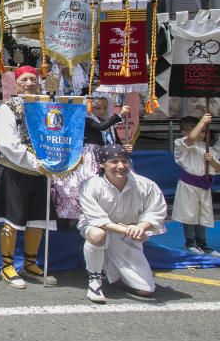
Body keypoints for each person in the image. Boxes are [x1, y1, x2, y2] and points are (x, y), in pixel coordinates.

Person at [0, 66, 57, 288]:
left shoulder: (46, 108)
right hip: (16, 170)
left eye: (33, 79)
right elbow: (8, 144)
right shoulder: (7, 110)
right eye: (24, 80)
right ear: (16, 84)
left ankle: (30, 263)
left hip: (42, 171)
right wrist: (36, 163)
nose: (29, 83)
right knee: (12, 220)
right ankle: (7, 266)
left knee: (37, 219)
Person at [80, 144, 167, 303]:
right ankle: (95, 281)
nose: (120, 166)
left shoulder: (146, 184)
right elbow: (96, 218)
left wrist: (140, 228)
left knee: (146, 290)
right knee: (97, 234)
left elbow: (156, 211)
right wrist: (127, 230)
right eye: (114, 161)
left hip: (129, 233)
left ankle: (109, 268)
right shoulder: (90, 185)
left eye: (124, 161)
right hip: (102, 228)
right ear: (102, 164)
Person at [53, 95, 131, 221]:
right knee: (88, 181)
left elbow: (116, 142)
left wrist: (124, 149)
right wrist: (119, 115)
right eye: (97, 108)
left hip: (108, 157)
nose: (101, 111)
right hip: (90, 158)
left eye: (105, 108)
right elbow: (101, 127)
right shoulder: (86, 120)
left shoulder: (109, 124)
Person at [172, 113, 220, 255]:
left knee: (202, 214)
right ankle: (190, 242)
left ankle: (203, 243)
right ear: (184, 133)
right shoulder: (181, 144)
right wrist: (203, 121)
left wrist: (211, 161)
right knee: (189, 214)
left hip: (204, 185)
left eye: (203, 132)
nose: (201, 134)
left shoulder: (208, 149)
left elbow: (218, 168)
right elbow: (191, 138)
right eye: (198, 131)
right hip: (188, 184)